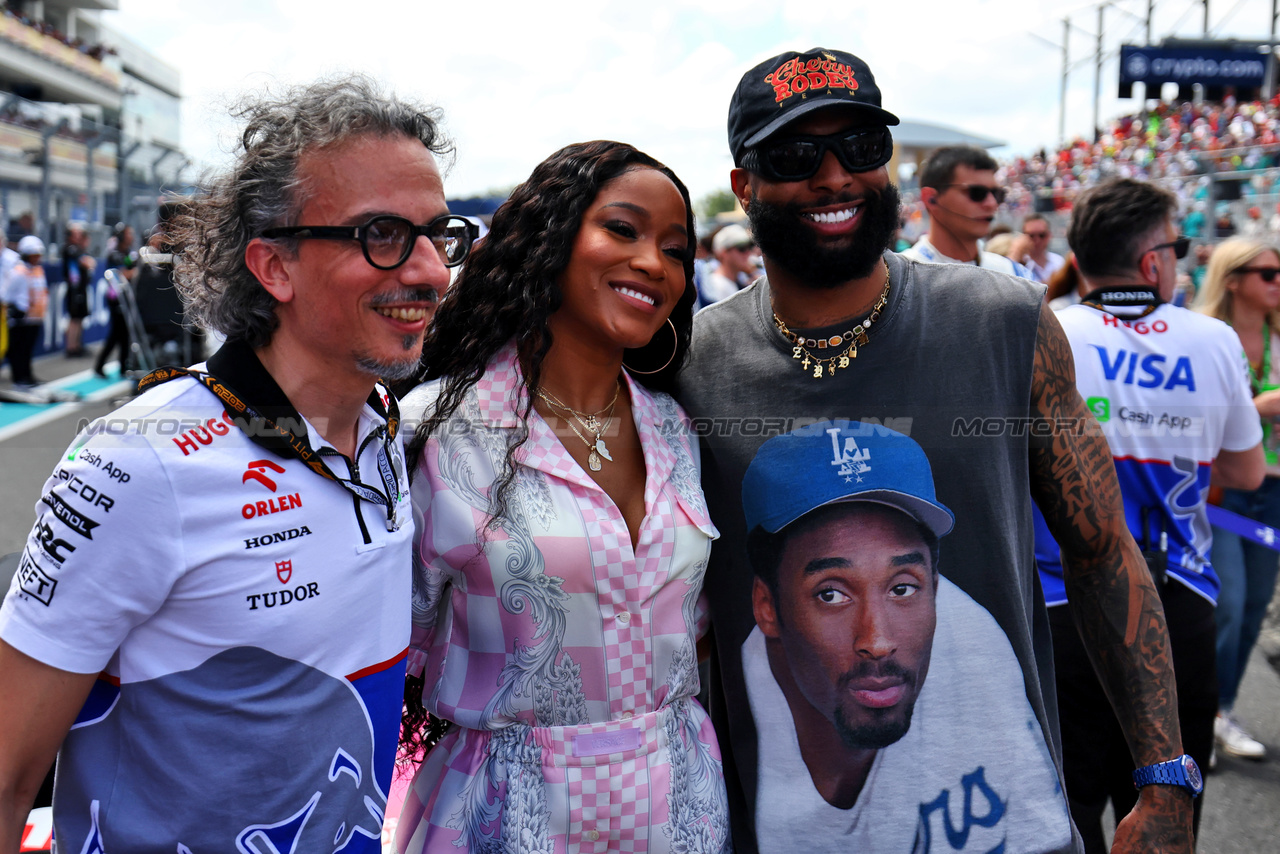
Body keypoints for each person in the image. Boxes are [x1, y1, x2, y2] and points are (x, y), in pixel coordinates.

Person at [676, 46, 1197, 854]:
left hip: (1004, 828)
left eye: (861, 147)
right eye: (794, 154)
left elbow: (1101, 553)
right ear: (743, 185)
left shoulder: (1005, 322)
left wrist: (1164, 775)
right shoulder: (691, 364)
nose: (835, 176)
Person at [0, 76, 472, 851]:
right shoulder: (140, 461)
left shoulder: (383, 424)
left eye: (438, 234)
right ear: (274, 267)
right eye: (381, 234)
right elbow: (10, 768)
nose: (428, 270)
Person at [393, 140, 730, 854]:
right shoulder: (442, 430)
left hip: (680, 810)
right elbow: (393, 643)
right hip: (510, 815)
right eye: (624, 229)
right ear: (550, 239)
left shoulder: (674, 428)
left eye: (676, 250)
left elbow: (689, 628)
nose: (654, 264)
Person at [1033, 179, 1263, 852]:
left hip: (1056, 602)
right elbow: (1247, 472)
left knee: (1063, 812)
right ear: (1151, 262)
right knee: (1167, 813)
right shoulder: (1213, 338)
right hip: (1176, 601)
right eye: (1179, 247)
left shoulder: (1046, 333)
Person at [742, 420, 1068, 852]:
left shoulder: (976, 653)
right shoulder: (727, 715)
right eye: (832, 594)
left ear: (935, 586)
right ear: (767, 606)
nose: (877, 641)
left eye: (902, 588)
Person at [1196, 236, 1280, 762]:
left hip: (1273, 491)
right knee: (1225, 604)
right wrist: (1258, 406)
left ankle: (1220, 709)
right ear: (1232, 280)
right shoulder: (1205, 338)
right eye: (1267, 273)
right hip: (1220, 490)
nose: (1277, 282)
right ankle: (1198, 716)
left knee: (1251, 610)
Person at [902, 145, 1031, 277]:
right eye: (977, 193)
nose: (991, 203)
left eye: (997, 194)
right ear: (931, 199)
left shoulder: (1012, 273)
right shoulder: (900, 278)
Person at [2, 235, 48, 388]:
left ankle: (27, 375)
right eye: (33, 255)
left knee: (28, 349)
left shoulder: (38, 270)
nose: (36, 258)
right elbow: (5, 293)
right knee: (18, 350)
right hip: (21, 318)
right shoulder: (18, 271)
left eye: (38, 255)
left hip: (35, 317)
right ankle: (19, 377)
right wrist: (15, 308)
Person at [95, 223, 136, 378]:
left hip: (126, 297)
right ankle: (99, 365)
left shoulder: (128, 252)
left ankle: (123, 366)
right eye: (128, 234)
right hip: (116, 298)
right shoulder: (114, 254)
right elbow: (123, 274)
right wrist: (134, 271)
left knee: (125, 333)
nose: (131, 237)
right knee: (115, 334)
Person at [701, 223, 758, 305]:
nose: (748, 252)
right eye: (742, 248)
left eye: (750, 247)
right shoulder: (719, 285)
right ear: (723, 253)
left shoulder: (740, 279)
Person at [60, 223, 95, 357]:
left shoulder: (79, 249)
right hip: (73, 289)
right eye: (76, 234)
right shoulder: (69, 249)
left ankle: (77, 345)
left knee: (80, 318)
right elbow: (86, 262)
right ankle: (71, 347)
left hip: (81, 288)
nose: (79, 236)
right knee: (74, 318)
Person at [1022, 213, 1067, 283]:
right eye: (1031, 236)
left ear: (1050, 235)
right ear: (1023, 237)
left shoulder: (1059, 262)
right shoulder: (1020, 265)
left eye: (1042, 235)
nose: (1037, 240)